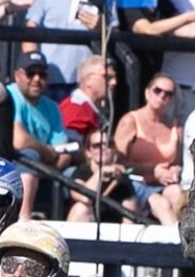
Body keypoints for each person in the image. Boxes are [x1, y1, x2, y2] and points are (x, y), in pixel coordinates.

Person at [23, 0, 102, 93]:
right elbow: (30, 30)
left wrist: (100, 28)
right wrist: (34, 69)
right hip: (50, 79)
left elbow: (115, 32)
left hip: (87, 82)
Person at [8, 51, 75, 220]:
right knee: (29, 156)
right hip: (10, 164)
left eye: (42, 74)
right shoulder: (10, 94)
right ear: (17, 75)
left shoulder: (52, 107)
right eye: (31, 73)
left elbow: (63, 152)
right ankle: (23, 220)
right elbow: (19, 140)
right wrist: (46, 151)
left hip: (43, 171)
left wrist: (46, 164)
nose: (37, 79)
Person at [113, 73, 186, 224]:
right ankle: (176, 244)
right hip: (135, 182)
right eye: (157, 90)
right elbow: (118, 161)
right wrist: (152, 171)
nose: (162, 96)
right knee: (162, 205)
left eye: (168, 93)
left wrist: (175, 170)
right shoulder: (129, 121)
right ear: (147, 93)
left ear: (172, 99)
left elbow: (177, 162)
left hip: (164, 183)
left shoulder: (176, 126)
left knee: (179, 196)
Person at [67, 128, 143, 224]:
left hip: (113, 229)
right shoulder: (80, 172)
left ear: (114, 149)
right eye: (97, 145)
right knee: (81, 208)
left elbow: (130, 214)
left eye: (109, 144)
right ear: (88, 152)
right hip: (87, 224)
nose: (104, 148)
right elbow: (85, 198)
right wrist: (100, 173)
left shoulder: (121, 177)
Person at [60, 54, 114, 139]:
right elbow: (70, 145)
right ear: (88, 80)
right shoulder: (75, 108)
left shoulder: (87, 107)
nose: (114, 82)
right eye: (107, 77)